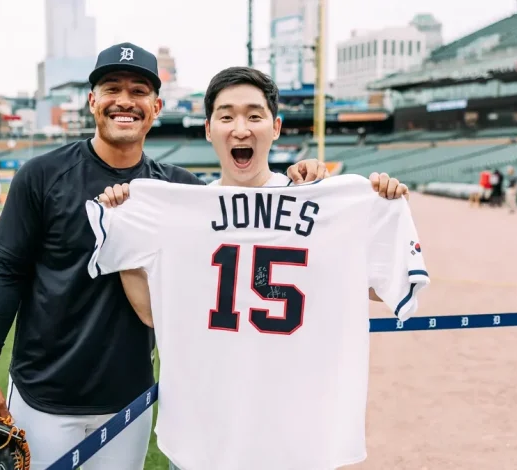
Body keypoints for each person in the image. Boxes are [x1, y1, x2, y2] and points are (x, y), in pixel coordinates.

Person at [0, 45, 330, 470]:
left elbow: (252, 219)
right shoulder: (42, 176)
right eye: (111, 88)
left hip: (130, 399)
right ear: (92, 101)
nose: (125, 101)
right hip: (46, 395)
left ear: (155, 106)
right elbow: (5, 274)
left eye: (138, 91)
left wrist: (301, 183)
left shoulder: (181, 191)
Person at [86, 67, 429, 470]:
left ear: (276, 126)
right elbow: (149, 312)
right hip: (209, 430)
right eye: (227, 116)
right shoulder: (182, 213)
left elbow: (373, 287)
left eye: (254, 115)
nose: (241, 128)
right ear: (209, 129)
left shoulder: (318, 204)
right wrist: (129, 241)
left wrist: (380, 206)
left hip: (293, 431)